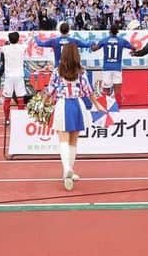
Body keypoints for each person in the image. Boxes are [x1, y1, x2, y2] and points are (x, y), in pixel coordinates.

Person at [46, 42, 94, 191]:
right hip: (77, 105)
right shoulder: (81, 72)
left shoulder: (57, 71)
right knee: (73, 141)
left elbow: (50, 90)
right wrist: (98, 105)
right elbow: (88, 91)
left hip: (62, 105)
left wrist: (43, 103)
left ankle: (66, 169)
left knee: (63, 140)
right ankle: (69, 170)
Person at [90, 24, 133, 100]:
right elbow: (133, 47)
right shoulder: (121, 40)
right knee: (117, 92)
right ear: (117, 32)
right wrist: (133, 52)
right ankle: (117, 107)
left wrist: (92, 44)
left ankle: (107, 107)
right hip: (117, 68)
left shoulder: (104, 40)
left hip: (107, 67)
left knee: (105, 90)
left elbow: (94, 49)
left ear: (109, 31)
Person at [0, 31, 27, 125]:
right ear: (18, 39)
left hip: (9, 77)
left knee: (7, 98)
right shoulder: (22, 47)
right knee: (20, 98)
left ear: (9, 39)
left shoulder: (5, 48)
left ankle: (7, 119)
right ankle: (20, 119)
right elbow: (29, 42)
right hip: (19, 76)